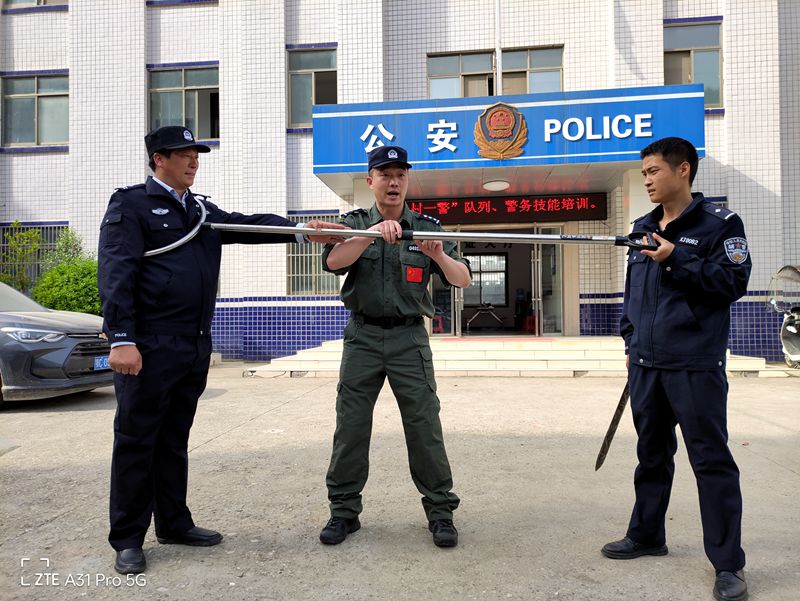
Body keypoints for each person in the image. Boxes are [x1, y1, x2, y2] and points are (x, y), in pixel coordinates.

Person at [97, 125, 345, 575]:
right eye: (183, 154)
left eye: (196, 154)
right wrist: (122, 339)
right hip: (149, 343)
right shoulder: (131, 205)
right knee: (137, 440)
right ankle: (128, 538)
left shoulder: (200, 210)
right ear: (158, 159)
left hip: (193, 342)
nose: (193, 161)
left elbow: (247, 226)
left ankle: (174, 523)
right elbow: (116, 271)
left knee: (174, 438)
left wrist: (303, 231)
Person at [602, 137, 751, 601]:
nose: (647, 180)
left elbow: (732, 283)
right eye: (644, 172)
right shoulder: (643, 227)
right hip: (647, 365)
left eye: (654, 171)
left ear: (682, 169)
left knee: (710, 461)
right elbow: (634, 294)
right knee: (651, 455)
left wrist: (676, 257)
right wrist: (630, 341)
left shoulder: (719, 225)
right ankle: (647, 534)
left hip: (694, 365)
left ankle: (728, 564)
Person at [318, 145, 471, 548]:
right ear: (371, 181)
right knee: (351, 425)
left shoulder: (425, 226)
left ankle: (440, 512)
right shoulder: (354, 222)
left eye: (400, 174)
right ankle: (343, 512)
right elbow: (333, 262)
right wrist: (369, 234)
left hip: (409, 339)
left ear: (407, 181)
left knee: (424, 425)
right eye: (385, 175)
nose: (393, 182)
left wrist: (439, 256)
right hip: (363, 337)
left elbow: (462, 279)